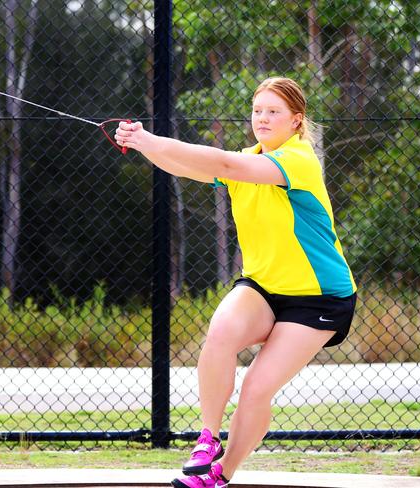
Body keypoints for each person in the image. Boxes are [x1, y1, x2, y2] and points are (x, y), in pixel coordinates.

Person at [115, 77, 357, 488]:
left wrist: (151, 138)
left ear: (296, 121)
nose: (262, 118)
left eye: (273, 112)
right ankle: (206, 439)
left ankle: (221, 474)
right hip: (264, 286)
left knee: (256, 390)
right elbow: (190, 167)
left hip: (320, 297)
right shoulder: (250, 157)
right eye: (257, 110)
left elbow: (222, 165)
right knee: (221, 331)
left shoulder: (297, 161)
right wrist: (144, 145)